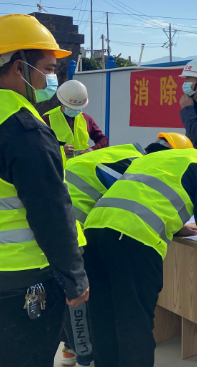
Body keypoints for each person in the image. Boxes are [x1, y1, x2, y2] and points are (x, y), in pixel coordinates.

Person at [82, 137, 197, 367]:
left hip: (95, 231)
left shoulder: (163, 158)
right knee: (134, 321)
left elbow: (145, 197)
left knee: (103, 316)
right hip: (133, 239)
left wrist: (177, 229)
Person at [0, 13, 90, 367]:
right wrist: (74, 277)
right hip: (22, 278)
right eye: (50, 69)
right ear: (19, 67)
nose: (54, 79)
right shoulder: (24, 129)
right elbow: (51, 210)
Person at [59, 142, 146, 367]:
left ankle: (71, 348)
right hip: (73, 222)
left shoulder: (122, 152)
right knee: (78, 290)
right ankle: (83, 352)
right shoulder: (137, 165)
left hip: (57, 213)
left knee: (66, 286)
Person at [42, 79, 108, 158]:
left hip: (82, 165)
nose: (76, 110)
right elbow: (39, 145)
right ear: (62, 102)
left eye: (78, 107)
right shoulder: (47, 119)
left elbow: (103, 139)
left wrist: (93, 149)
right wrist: (59, 150)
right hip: (59, 165)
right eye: (72, 107)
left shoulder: (86, 119)